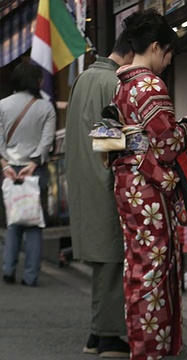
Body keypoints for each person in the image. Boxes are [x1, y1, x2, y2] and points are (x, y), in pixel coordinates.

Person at [110, 10, 187, 359]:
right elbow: (166, 145)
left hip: (127, 182)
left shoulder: (121, 85)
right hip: (148, 186)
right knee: (155, 267)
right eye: (168, 54)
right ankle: (153, 350)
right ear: (155, 47)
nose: (168, 63)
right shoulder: (149, 85)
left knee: (138, 267)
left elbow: (111, 139)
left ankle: (142, 344)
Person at [65, 30, 135, 357]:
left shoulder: (84, 78)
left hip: (82, 180)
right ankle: (109, 335)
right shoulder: (113, 83)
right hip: (105, 182)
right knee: (111, 260)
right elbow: (110, 144)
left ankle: (96, 333)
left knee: (101, 262)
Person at [0, 62, 56, 286]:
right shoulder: (46, 108)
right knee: (34, 223)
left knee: (14, 220)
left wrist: (4, 164)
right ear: (36, 81)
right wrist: (33, 163)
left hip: (10, 169)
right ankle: (31, 275)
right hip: (35, 170)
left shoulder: (2, 105)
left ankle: (8, 268)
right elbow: (47, 140)